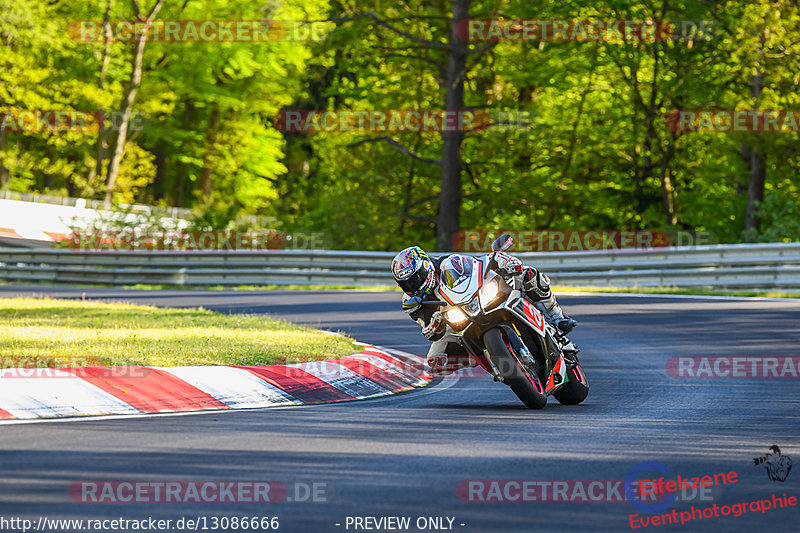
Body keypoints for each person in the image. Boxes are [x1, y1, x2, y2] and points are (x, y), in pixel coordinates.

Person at [391, 246, 576, 374]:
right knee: (435, 362)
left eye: (415, 278)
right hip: (457, 325)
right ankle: (493, 358)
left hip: (480, 299)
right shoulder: (411, 302)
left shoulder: (448, 263)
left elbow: (480, 264)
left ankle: (556, 317)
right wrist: (435, 325)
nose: (412, 285)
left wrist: (504, 261)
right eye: (405, 283)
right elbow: (428, 331)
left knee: (529, 274)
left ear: (425, 267)